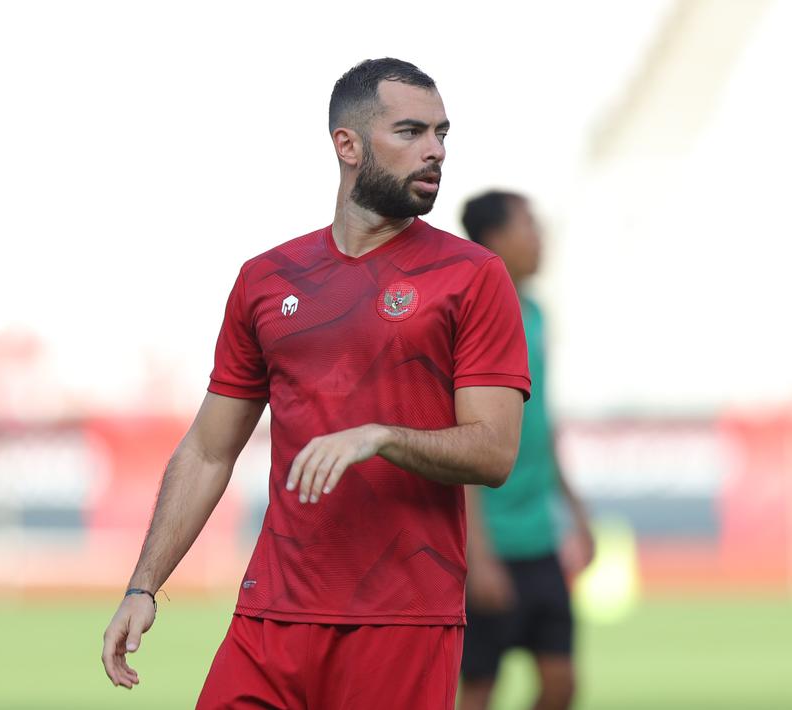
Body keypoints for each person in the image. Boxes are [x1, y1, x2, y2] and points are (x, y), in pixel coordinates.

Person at [100, 58, 531, 709]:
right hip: (271, 617)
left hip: (402, 621)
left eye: (442, 133)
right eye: (411, 131)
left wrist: (381, 436)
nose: (435, 150)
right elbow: (209, 449)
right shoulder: (265, 279)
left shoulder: (471, 276)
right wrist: (142, 585)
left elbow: (494, 452)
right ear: (347, 145)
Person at [458, 191, 596, 710]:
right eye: (529, 226)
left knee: (561, 683)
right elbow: (465, 436)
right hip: (492, 541)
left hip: (539, 536)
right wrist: (480, 554)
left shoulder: (536, 313)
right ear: (494, 239)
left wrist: (576, 511)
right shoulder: (474, 313)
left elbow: (543, 423)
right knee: (479, 688)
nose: (541, 238)